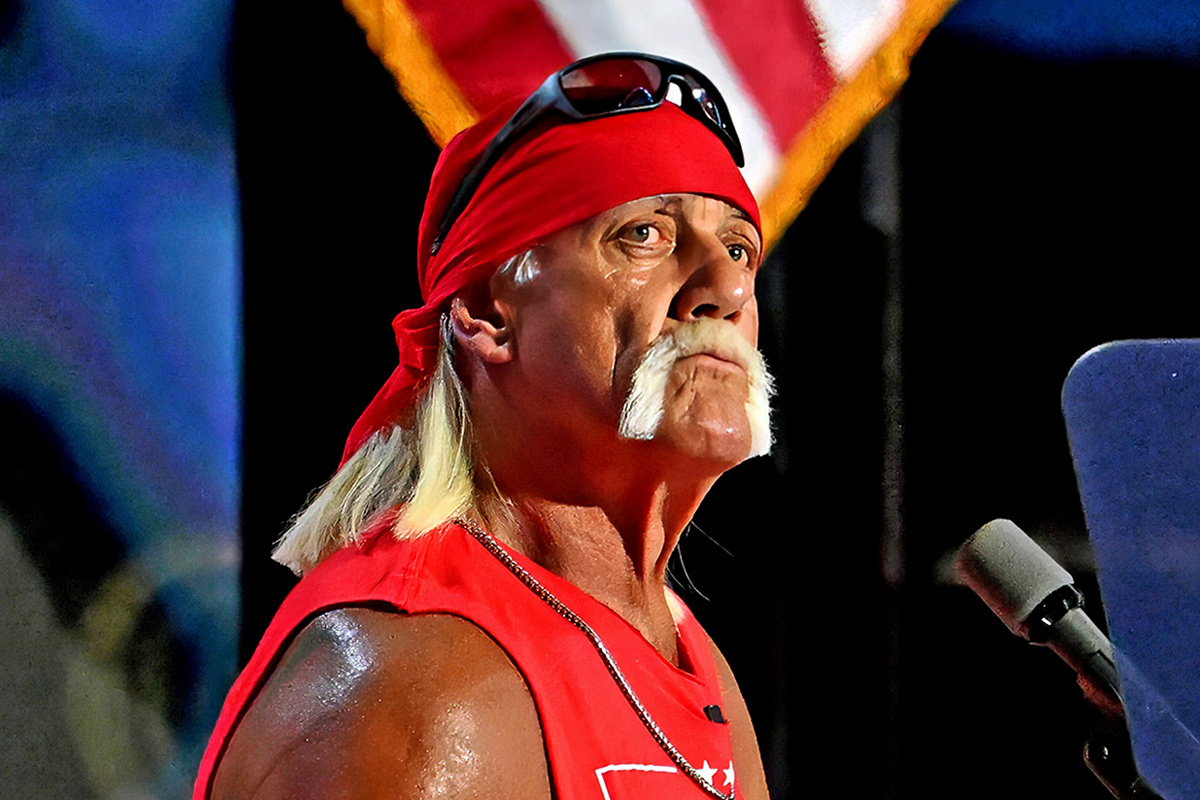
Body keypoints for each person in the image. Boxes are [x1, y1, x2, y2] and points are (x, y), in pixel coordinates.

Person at [196, 53, 774, 800]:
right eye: (644, 234)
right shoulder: (422, 690)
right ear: (485, 314)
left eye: (739, 248)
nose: (727, 288)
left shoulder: (686, 655)